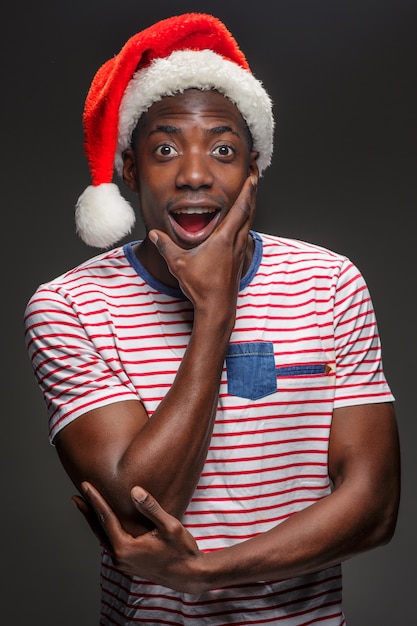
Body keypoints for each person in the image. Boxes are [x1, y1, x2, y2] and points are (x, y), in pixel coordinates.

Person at [24, 12, 400, 626]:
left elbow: (376, 507)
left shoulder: (330, 283)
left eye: (223, 149)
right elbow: (144, 506)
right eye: (165, 149)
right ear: (127, 170)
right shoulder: (69, 307)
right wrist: (215, 312)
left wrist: (203, 574)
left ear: (253, 170)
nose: (195, 173)